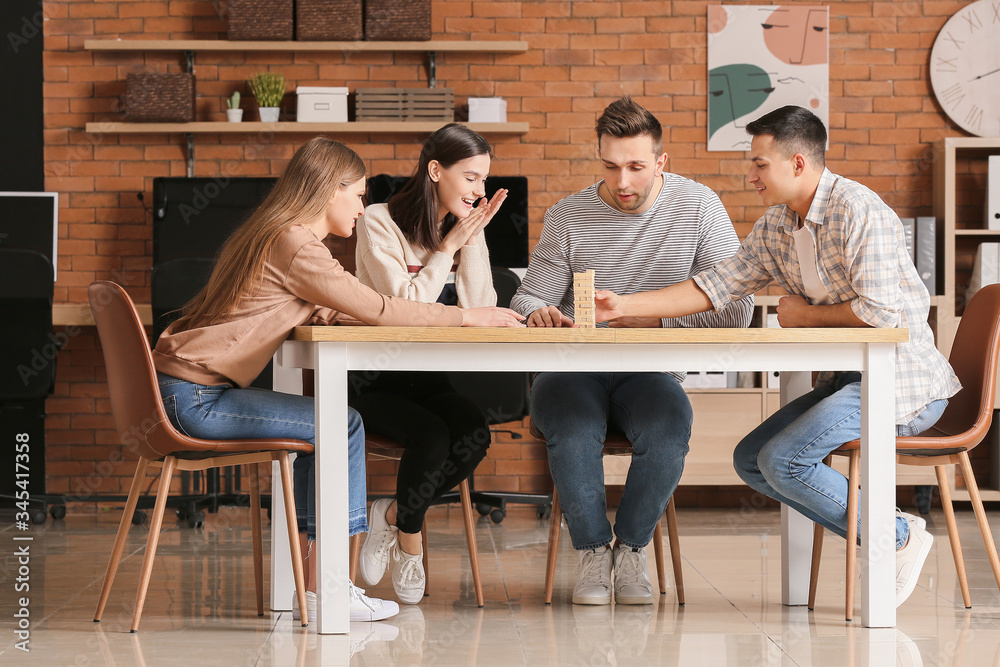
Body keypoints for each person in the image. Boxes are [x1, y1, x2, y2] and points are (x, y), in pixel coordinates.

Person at [594, 105, 961, 607]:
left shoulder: (858, 210)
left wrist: (804, 316)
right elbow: (716, 285)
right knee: (751, 460)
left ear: (797, 164)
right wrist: (625, 306)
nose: (750, 175)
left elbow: (882, 315)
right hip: (845, 382)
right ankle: (893, 530)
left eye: (760, 164)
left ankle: (896, 537)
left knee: (783, 460)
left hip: (900, 384)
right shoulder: (775, 225)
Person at [152, 137, 524, 623]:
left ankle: (319, 583)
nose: (363, 207)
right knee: (340, 425)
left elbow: (324, 302)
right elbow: (381, 306)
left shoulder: (282, 237)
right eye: (358, 194)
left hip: (184, 390)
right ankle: (333, 584)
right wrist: (464, 318)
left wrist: (338, 311)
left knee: (320, 428)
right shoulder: (295, 244)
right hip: (194, 399)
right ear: (331, 190)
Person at [510, 97, 754, 606]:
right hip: (573, 367)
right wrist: (538, 312)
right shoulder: (569, 214)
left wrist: (653, 317)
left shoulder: (699, 207)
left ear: (661, 162)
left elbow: (738, 309)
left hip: (651, 368)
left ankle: (633, 549)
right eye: (611, 166)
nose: (622, 181)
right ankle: (594, 550)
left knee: (669, 429)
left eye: (637, 167)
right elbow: (529, 295)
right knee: (573, 429)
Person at [352, 124, 508, 604]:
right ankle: (412, 546)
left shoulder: (463, 230)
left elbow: (481, 305)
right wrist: (446, 249)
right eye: (470, 178)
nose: (479, 191)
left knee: (473, 434)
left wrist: (472, 240)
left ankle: (395, 516)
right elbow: (406, 307)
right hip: (374, 376)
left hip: (429, 376)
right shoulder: (378, 220)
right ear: (436, 171)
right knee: (432, 436)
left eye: (484, 179)